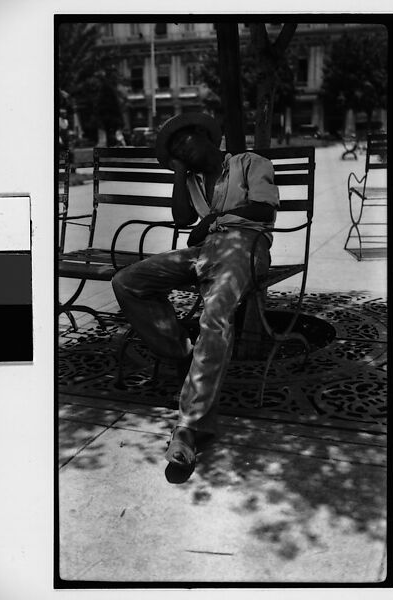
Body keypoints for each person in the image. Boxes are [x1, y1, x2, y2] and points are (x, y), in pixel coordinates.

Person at [112, 112, 280, 470]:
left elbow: (264, 207)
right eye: (176, 151)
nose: (184, 151)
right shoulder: (190, 181)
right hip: (205, 252)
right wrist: (178, 174)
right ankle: (186, 354)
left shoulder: (249, 162)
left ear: (207, 137)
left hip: (245, 247)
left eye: (186, 141)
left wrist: (212, 221)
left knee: (215, 314)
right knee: (127, 282)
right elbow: (180, 220)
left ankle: (191, 426)